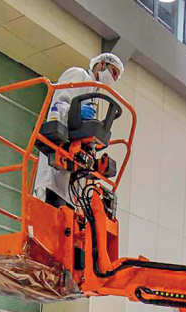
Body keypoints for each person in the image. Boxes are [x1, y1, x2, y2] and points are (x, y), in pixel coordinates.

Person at [32, 51, 124, 206]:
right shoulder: (79, 75)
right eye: (113, 72)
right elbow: (58, 106)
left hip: (71, 186)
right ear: (101, 64)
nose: (113, 78)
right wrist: (75, 112)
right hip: (53, 172)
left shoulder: (93, 94)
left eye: (116, 77)